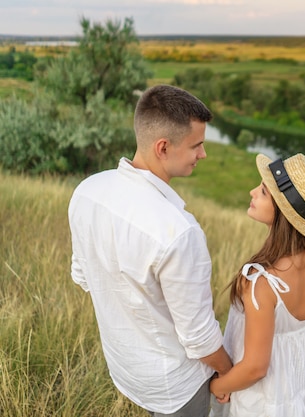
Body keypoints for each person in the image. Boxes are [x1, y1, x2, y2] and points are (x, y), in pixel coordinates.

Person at [68, 84, 232, 417]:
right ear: (163, 147)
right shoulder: (179, 232)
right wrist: (229, 373)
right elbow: (200, 339)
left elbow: (84, 277)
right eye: (197, 145)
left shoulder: (88, 190)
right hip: (176, 387)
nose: (203, 155)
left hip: (125, 367)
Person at [208, 153, 305, 417]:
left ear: (282, 211)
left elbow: (255, 367)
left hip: (268, 400)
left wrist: (218, 385)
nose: (252, 192)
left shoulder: (263, 282)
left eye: (262, 191)